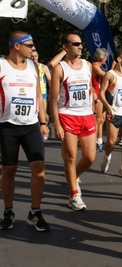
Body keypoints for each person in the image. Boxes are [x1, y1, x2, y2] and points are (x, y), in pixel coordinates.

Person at [0, 31, 50, 231]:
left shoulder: (33, 66)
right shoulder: (1, 65)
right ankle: (8, 211)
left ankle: (35, 212)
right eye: (29, 45)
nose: (33, 48)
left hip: (30, 126)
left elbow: (39, 94)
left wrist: (44, 121)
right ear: (16, 46)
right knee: (9, 170)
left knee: (39, 169)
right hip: (7, 125)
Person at [50, 30, 96, 211]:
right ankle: (74, 194)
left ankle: (73, 177)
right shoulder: (60, 69)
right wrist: (56, 124)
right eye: (75, 44)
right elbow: (53, 100)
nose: (80, 46)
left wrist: (94, 108)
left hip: (86, 115)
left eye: (81, 43)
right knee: (71, 156)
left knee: (90, 157)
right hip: (67, 114)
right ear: (65, 47)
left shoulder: (87, 65)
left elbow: (90, 87)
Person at [99, 49, 122, 178]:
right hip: (115, 112)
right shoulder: (110, 75)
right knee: (111, 141)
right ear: (119, 59)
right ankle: (106, 156)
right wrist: (108, 106)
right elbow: (101, 93)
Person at [92, 48, 108, 152]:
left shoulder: (100, 67)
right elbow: (106, 76)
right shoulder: (94, 66)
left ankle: (100, 140)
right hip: (96, 94)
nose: (106, 59)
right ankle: (95, 142)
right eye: (105, 57)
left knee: (102, 119)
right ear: (102, 58)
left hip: (102, 94)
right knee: (97, 120)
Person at [31, 50, 51, 128]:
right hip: (32, 93)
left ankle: (46, 125)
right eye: (32, 56)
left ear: (38, 57)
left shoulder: (43, 67)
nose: (34, 58)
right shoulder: (26, 67)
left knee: (43, 112)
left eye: (35, 56)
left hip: (42, 93)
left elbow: (50, 80)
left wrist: (52, 92)